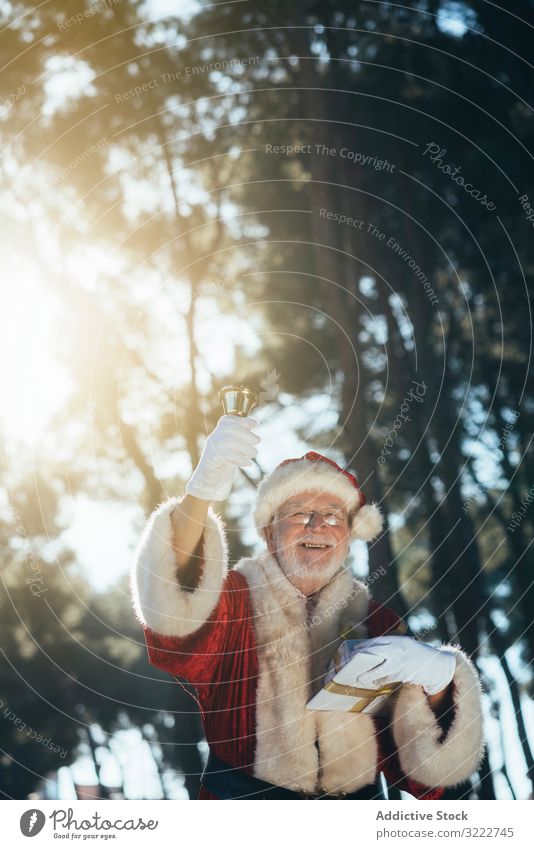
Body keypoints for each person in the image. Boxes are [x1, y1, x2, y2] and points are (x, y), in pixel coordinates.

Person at [131, 415, 485, 799]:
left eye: (334, 516)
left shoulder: (377, 619)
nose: (317, 525)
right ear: (269, 533)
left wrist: (436, 681)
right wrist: (200, 492)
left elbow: (419, 768)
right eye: (299, 513)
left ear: (350, 535)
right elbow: (175, 609)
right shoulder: (234, 599)